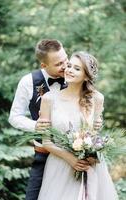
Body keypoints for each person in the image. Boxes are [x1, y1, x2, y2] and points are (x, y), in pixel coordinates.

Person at [8, 39, 102, 200]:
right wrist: (37, 126)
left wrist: (97, 121)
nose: (66, 66)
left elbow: (92, 106)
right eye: (59, 64)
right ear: (44, 66)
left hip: (79, 155)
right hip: (45, 153)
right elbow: (14, 117)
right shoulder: (28, 82)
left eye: (66, 59)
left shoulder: (74, 76)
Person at [37, 51, 118, 200]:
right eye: (69, 66)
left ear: (86, 76)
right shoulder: (49, 99)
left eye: (77, 68)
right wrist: (71, 159)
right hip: (60, 165)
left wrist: (92, 154)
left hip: (89, 165)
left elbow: (94, 135)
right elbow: (46, 142)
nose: (69, 70)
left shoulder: (97, 98)